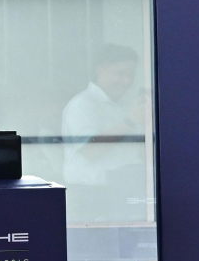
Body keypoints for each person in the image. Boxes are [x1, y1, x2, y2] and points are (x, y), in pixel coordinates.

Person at [59, 44, 149, 223]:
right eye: (120, 74)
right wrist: (130, 121)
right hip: (90, 196)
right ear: (100, 70)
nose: (126, 81)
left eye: (130, 75)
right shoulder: (82, 104)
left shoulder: (125, 107)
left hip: (124, 193)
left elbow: (140, 154)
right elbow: (90, 150)